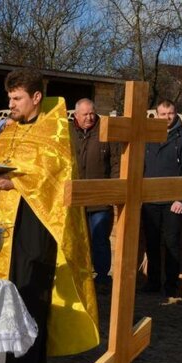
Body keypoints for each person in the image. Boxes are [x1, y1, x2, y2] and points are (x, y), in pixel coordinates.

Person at [0, 68, 99, 363]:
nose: (12, 104)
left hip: (37, 223)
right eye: (9, 97)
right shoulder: (11, 129)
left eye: (17, 98)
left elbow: (57, 174)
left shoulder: (55, 130)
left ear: (36, 97)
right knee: (6, 290)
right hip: (7, 223)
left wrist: (16, 181)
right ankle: (1, 362)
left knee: (30, 290)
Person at [141, 99, 182, 297]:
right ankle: (153, 282)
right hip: (150, 199)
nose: (167, 117)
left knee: (172, 243)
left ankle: (171, 286)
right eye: (163, 114)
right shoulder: (148, 137)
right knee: (152, 242)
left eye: (170, 113)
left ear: (175, 113)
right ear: (157, 115)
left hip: (173, 201)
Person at [69, 98, 120, 285]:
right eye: (85, 114)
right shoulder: (68, 132)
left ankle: (102, 277)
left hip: (100, 199)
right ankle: (79, 275)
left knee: (100, 238)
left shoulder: (106, 131)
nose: (90, 117)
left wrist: (113, 190)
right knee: (77, 239)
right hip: (75, 197)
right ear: (76, 115)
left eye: (92, 113)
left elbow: (116, 162)